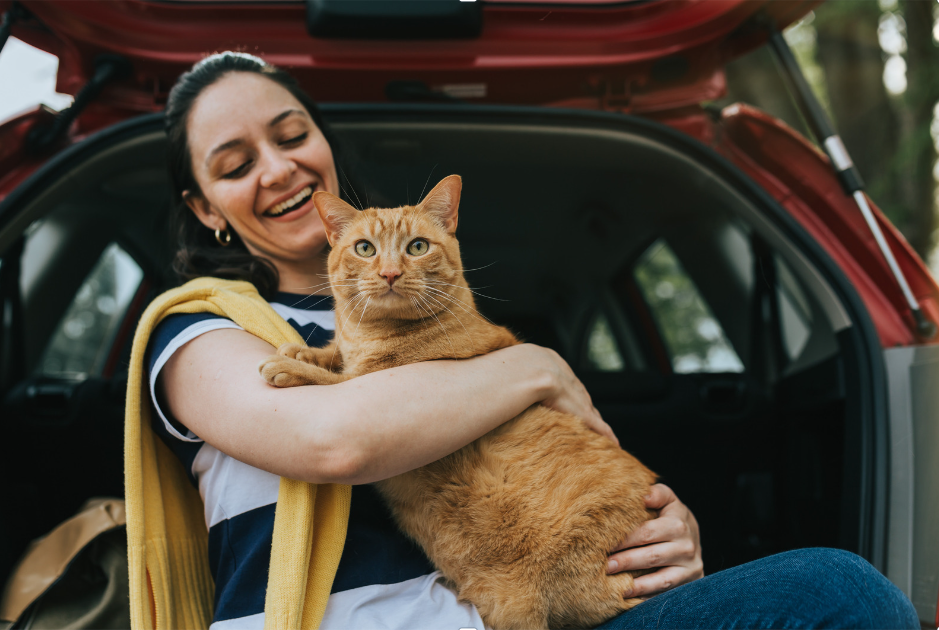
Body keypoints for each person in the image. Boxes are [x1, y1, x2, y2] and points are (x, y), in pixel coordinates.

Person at [143, 51, 918, 630]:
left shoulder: (458, 322)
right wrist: (537, 365)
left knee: (841, 592)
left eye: (291, 135)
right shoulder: (202, 328)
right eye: (237, 164)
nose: (279, 169)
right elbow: (333, 439)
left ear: (324, 145)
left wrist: (657, 528)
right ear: (203, 205)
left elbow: (556, 459)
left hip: (512, 610)